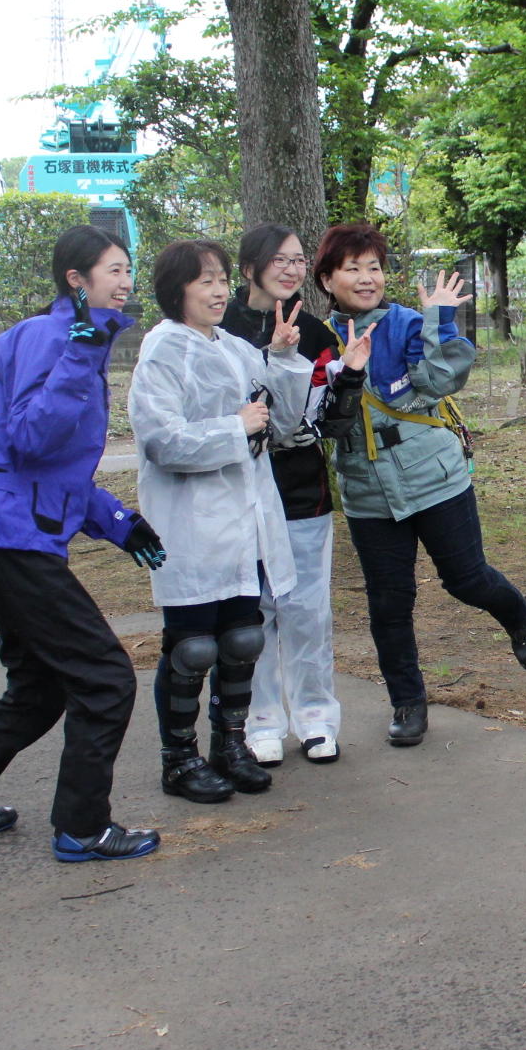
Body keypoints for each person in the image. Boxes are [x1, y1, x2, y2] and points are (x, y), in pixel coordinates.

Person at [0, 224, 164, 864]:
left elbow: (54, 469)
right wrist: (82, 354)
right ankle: (83, 827)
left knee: (40, 685)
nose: (126, 280)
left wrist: (117, 521)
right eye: (113, 270)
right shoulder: (50, 338)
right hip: (6, 537)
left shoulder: (75, 340)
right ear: (76, 281)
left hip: (6, 533)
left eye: (128, 268)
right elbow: (29, 438)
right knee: (106, 677)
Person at [316, 223, 526, 746]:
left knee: (466, 579)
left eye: (373, 266)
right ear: (328, 279)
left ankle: (517, 615)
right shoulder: (318, 340)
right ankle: (408, 703)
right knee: (388, 604)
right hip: (367, 493)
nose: (366, 278)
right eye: (352, 268)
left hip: (434, 477)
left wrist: (439, 318)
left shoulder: (405, 323)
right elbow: (321, 420)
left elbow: (440, 380)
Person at [129, 239, 315, 803]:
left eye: (219, 279)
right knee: (192, 648)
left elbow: (281, 418)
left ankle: (229, 745)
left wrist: (282, 357)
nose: (215, 290)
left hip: (245, 518)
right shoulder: (163, 350)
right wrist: (235, 427)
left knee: (241, 639)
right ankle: (179, 759)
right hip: (191, 522)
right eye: (202, 280)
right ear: (176, 289)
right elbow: (163, 441)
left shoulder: (234, 347)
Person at [220, 225, 348, 765]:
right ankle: (260, 720)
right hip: (234, 493)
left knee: (306, 610)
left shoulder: (317, 332)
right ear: (249, 269)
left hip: (300, 492)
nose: (291, 269)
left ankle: (316, 718)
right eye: (280, 260)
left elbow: (323, 414)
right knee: (252, 611)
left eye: (299, 260)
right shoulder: (217, 329)